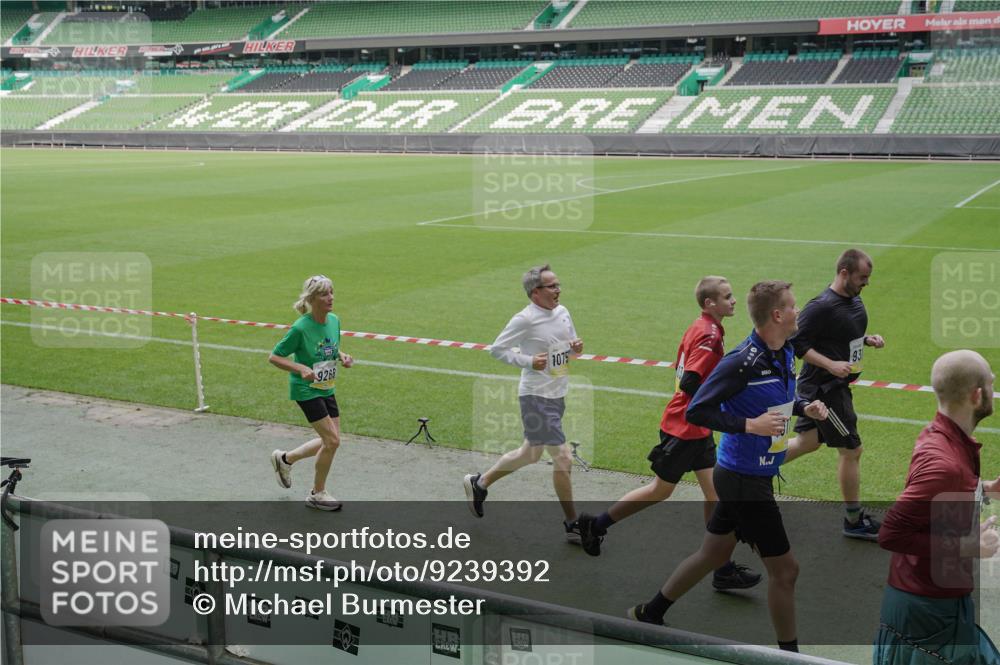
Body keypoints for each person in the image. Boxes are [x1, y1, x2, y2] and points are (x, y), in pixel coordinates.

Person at [627, 281, 829, 653]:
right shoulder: (739, 363)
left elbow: (780, 397)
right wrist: (750, 425)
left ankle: (649, 612)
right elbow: (697, 409)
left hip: (752, 474)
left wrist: (804, 406)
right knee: (786, 571)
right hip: (743, 479)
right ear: (777, 315)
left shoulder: (783, 352)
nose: (799, 311)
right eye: (794, 306)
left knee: (714, 554)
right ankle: (790, 656)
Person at [576, 277, 761, 591]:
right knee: (660, 491)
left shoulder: (701, 327)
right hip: (685, 428)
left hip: (695, 426)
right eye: (727, 297)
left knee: (714, 494)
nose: (733, 301)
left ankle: (722, 567)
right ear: (709, 304)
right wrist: (727, 396)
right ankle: (595, 524)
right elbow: (690, 381)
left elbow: (681, 368)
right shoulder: (709, 334)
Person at [874, 350, 1000, 665]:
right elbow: (891, 535)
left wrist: (983, 489)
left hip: (937, 600)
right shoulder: (944, 465)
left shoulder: (945, 436)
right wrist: (969, 545)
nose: (994, 384)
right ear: (977, 395)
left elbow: (935, 497)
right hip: (925, 610)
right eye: (990, 381)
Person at [463, 264, 584, 542]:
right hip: (535, 396)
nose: (558, 290)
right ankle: (572, 523)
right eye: (552, 286)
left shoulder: (563, 312)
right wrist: (528, 361)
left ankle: (479, 483)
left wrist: (575, 349)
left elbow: (566, 351)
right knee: (563, 457)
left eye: (558, 284)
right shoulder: (524, 319)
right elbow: (497, 350)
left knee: (530, 453)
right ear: (535, 293)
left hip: (557, 392)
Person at [783, 249, 885, 540]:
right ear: (844, 273)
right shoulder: (821, 306)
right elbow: (797, 343)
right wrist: (831, 364)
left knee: (806, 442)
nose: (866, 283)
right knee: (852, 450)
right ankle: (853, 521)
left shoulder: (852, 297)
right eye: (862, 278)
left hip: (831, 387)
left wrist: (866, 339)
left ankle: (751, 476)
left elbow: (841, 332)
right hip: (825, 392)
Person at [268, 275, 354, 511]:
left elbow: (331, 347)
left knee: (331, 440)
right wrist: (300, 368)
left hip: (326, 387)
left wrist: (342, 356)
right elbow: (274, 357)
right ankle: (317, 493)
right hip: (305, 389)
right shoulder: (300, 328)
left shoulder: (334, 320)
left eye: (332, 292)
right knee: (332, 441)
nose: (331, 298)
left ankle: (285, 459)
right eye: (325, 294)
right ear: (312, 298)